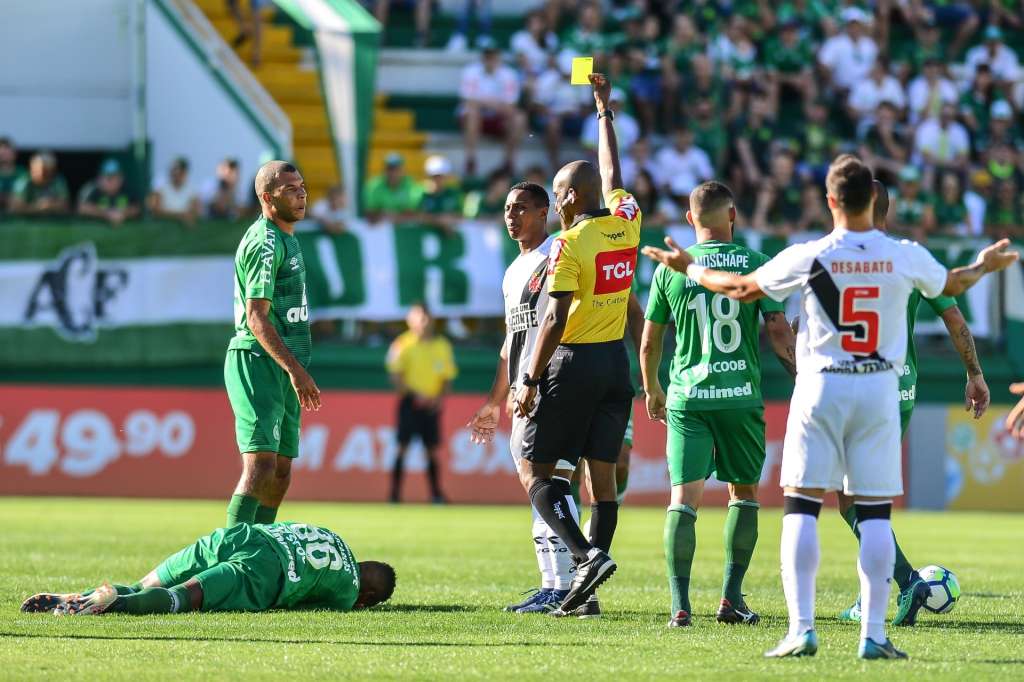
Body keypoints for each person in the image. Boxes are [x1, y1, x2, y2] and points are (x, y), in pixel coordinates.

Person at [641, 154, 1018, 660]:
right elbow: (953, 285)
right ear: (873, 201)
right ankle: (874, 635)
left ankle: (801, 631)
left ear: (831, 201)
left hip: (821, 390)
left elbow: (741, 288)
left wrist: (688, 266)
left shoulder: (811, 254)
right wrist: (984, 265)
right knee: (874, 512)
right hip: (878, 390)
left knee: (801, 505)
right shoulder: (903, 255)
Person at [830, 180, 989, 627]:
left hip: (856, 387)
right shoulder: (910, 256)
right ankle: (874, 593)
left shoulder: (836, 256)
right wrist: (975, 373)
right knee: (861, 494)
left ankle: (904, 583)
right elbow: (954, 317)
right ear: (889, 210)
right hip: (900, 390)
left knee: (851, 499)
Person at [641, 180, 798, 629]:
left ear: (690, 219)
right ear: (733, 215)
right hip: (739, 396)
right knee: (743, 494)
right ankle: (731, 600)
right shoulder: (756, 263)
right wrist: (800, 376)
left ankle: (679, 606)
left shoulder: (672, 269)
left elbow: (650, 340)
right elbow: (777, 329)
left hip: (688, 396)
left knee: (682, 500)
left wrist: (652, 388)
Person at [511, 73, 638, 616]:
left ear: (566, 198)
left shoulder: (568, 244)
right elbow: (613, 174)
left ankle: (585, 558)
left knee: (537, 472)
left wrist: (529, 380)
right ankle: (587, 590)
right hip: (616, 363)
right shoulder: (628, 223)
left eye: (558, 190)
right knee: (601, 481)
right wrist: (603, 112)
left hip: (575, 364)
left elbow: (554, 318)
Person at [467, 181, 577, 613]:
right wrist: (494, 402)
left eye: (521, 208)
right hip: (522, 390)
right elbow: (510, 343)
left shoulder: (556, 254)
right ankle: (562, 584)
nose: (511, 216)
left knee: (542, 482)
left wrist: (532, 380)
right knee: (551, 483)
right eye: (508, 209)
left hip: (548, 382)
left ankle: (560, 584)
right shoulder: (514, 272)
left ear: (544, 212)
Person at [223, 161, 321, 529]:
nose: (301, 194)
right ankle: (232, 548)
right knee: (261, 464)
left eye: (302, 186)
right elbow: (256, 317)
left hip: (283, 364)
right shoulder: (265, 241)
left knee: (280, 471)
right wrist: (296, 371)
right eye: (290, 189)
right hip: (257, 359)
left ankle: (260, 543)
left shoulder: (286, 238)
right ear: (267, 198)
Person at [21, 521, 394, 615]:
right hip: (263, 572)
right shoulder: (349, 591)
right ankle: (110, 604)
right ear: (368, 596)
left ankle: (82, 596)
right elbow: (310, 602)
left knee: (144, 584)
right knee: (179, 599)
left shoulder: (333, 536)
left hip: (241, 536)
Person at [386, 303, 456, 504]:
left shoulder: (442, 345)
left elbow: (447, 377)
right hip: (410, 403)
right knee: (402, 447)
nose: (423, 322)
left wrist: (438, 399)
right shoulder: (402, 344)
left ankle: (436, 495)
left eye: (426, 317)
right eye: (419, 317)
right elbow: (395, 375)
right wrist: (415, 394)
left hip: (432, 405)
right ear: (410, 320)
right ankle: (394, 495)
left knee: (432, 450)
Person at [458, 37, 525, 175]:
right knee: (472, 113)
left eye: (492, 55)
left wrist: (485, 104)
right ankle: (470, 159)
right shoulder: (470, 71)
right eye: (487, 55)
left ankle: (508, 162)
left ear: (498, 55)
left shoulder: (509, 74)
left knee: (519, 118)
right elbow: (468, 101)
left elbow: (511, 105)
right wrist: (494, 104)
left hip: (498, 118)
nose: (490, 58)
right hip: (476, 117)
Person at [77, 158, 139, 227]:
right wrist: (106, 213)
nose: (110, 182)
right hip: (95, 227)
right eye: (107, 178)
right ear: (100, 178)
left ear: (121, 178)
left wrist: (123, 214)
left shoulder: (127, 189)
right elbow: (82, 208)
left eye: (114, 177)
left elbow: (137, 208)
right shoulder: (93, 188)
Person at [363, 153, 422, 224]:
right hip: (380, 225)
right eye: (390, 169)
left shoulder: (412, 185)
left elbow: (413, 213)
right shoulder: (374, 186)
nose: (393, 173)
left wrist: (390, 215)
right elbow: (370, 212)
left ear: (403, 170)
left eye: (397, 169)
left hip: (405, 226)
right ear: (384, 170)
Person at [9, 151, 69, 216]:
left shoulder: (58, 181)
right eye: (39, 170)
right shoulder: (23, 181)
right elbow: (15, 208)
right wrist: (37, 207)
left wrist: (51, 205)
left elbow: (65, 205)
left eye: (46, 170)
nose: (42, 173)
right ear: (32, 168)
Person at [148, 157, 202, 226]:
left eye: (179, 170)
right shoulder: (160, 188)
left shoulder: (192, 190)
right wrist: (181, 216)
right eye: (173, 170)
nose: (175, 173)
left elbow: (196, 211)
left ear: (185, 172)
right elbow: (156, 211)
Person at [0, 137, 26, 213]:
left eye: (7, 153)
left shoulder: (22, 173)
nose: (4, 156)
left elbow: (23, 197)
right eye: (2, 153)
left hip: (18, 214)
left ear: (14, 154)